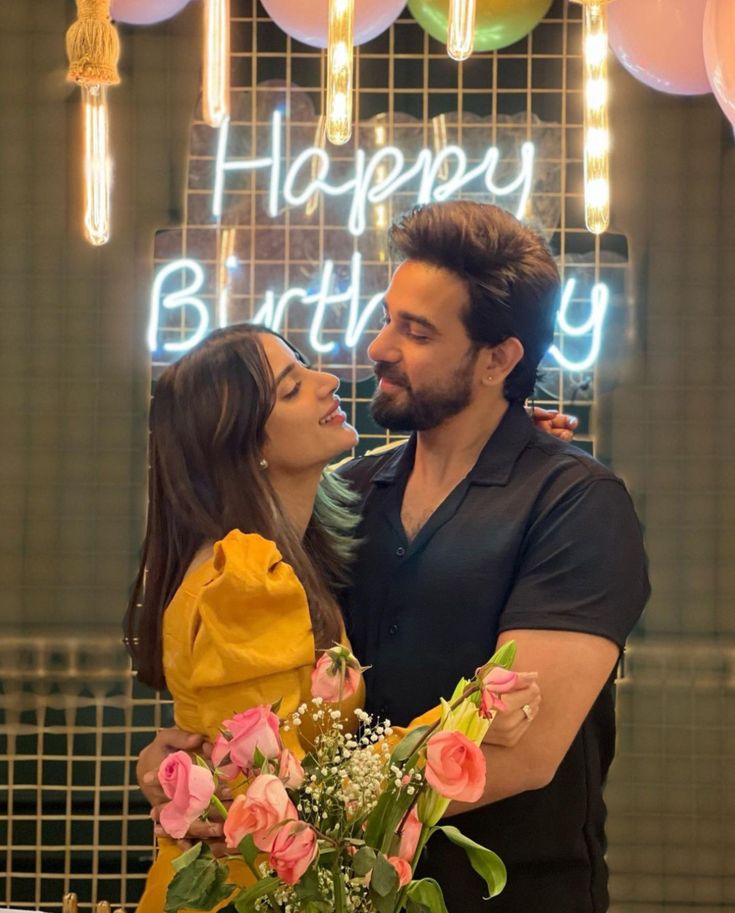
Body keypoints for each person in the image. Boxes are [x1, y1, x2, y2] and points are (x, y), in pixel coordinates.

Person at [125, 322, 542, 912]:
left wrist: (517, 446)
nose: (327, 381)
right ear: (246, 445)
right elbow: (279, 802)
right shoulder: (247, 580)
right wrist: (457, 723)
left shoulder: (286, 555)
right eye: (292, 389)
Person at [336, 201, 650, 913]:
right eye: (387, 317)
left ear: (497, 359)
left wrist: (293, 805)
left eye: (415, 331)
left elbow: (519, 751)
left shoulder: (575, 504)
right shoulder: (349, 492)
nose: (378, 345)